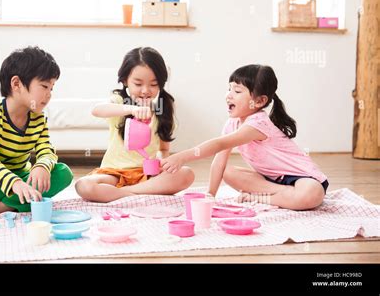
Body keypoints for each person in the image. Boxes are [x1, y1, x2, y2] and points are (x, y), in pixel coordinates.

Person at [161, 64, 328, 210]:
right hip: (271, 181)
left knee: (310, 194)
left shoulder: (258, 124)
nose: (229, 95)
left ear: (260, 101)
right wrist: (210, 195)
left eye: (237, 91)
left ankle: (261, 197)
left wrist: (182, 157)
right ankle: (286, 196)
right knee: (228, 172)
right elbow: (219, 161)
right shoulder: (232, 124)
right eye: (229, 89)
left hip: (304, 179)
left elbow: (218, 144)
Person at [0, 46, 73, 218]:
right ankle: (21, 201)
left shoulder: (38, 119)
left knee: (63, 173)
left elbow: (46, 150)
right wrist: (14, 183)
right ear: (16, 84)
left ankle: (2, 206)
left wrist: (42, 166)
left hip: (21, 174)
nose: (49, 95)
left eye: (52, 88)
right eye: (44, 86)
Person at [75, 47, 194, 202]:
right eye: (138, 84)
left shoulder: (163, 109)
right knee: (83, 186)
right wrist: (131, 109)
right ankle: (142, 194)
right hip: (114, 174)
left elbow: (164, 149)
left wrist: (162, 163)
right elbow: (96, 110)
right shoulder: (120, 102)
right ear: (125, 80)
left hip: (147, 174)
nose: (145, 90)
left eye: (153, 84)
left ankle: (125, 193)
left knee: (187, 174)